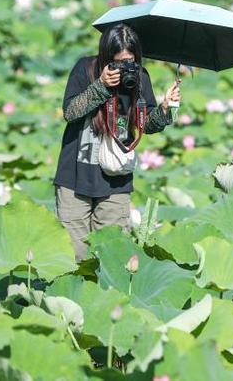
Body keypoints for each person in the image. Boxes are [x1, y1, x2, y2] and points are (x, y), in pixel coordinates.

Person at [53, 23, 182, 262]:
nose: (125, 68)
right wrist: (101, 85)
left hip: (115, 179)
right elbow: (70, 112)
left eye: (130, 61)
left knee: (112, 255)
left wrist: (165, 109)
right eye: (119, 62)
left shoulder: (140, 77)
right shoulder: (85, 69)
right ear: (105, 57)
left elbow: (148, 125)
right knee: (74, 257)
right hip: (75, 176)